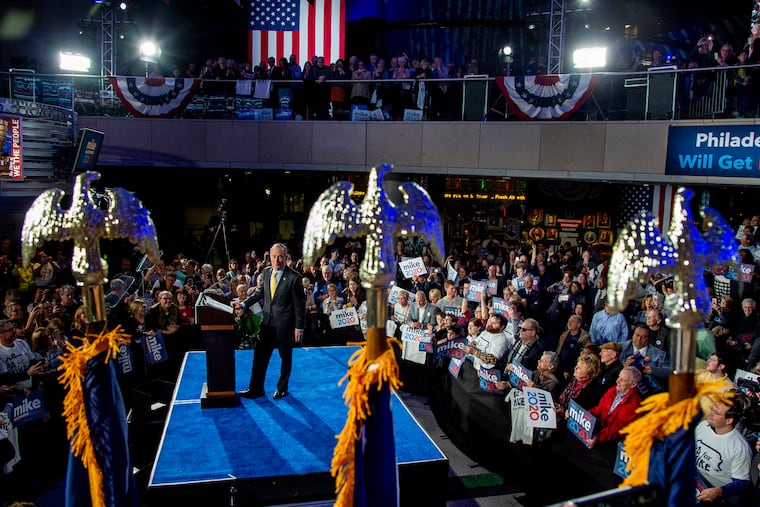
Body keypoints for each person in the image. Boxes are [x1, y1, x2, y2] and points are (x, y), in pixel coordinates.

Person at [239, 243, 305, 400]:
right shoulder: (267, 272)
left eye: (280, 256)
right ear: (269, 257)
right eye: (274, 256)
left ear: (286, 257)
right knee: (259, 355)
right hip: (267, 324)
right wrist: (243, 304)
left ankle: (282, 388)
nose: (277, 260)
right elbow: (259, 293)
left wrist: (299, 327)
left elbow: (299, 306)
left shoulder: (294, 278)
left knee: (285, 357)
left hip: (284, 326)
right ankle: (256, 389)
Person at [695, 392, 753, 504]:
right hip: (697, 479)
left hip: (721, 494)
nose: (710, 413)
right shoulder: (703, 426)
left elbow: (742, 482)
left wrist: (719, 491)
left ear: (729, 420)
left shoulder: (739, 447)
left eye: (715, 413)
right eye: (711, 408)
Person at [587, 367, 642, 447]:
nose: (617, 381)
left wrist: (598, 437)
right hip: (599, 430)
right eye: (619, 377)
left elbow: (616, 429)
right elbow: (598, 409)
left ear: (633, 384)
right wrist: (584, 417)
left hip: (613, 443)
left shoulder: (634, 405)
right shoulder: (612, 390)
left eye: (622, 380)